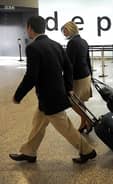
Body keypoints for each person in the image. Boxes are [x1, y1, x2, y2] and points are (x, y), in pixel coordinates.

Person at [9, 16, 96, 164]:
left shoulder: (33, 48)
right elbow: (68, 67)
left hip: (50, 98)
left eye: (27, 28)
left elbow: (31, 76)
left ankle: (87, 151)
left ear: (30, 28)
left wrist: (18, 95)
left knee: (65, 127)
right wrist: (68, 87)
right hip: (53, 95)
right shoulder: (56, 45)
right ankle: (29, 152)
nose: (27, 31)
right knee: (38, 123)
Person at [61, 21, 93, 134]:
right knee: (80, 101)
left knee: (72, 102)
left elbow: (70, 65)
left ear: (71, 29)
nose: (63, 33)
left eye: (65, 30)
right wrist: (91, 75)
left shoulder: (72, 43)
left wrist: (66, 81)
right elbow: (88, 60)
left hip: (78, 77)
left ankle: (88, 120)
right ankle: (83, 123)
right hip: (86, 75)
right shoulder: (83, 41)